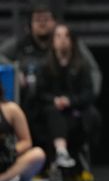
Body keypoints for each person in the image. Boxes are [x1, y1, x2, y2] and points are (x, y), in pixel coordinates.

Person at [33, 24, 96, 169]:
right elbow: (39, 93)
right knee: (53, 113)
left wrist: (70, 101)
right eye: (58, 36)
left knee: (88, 116)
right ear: (53, 41)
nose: (62, 40)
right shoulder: (45, 66)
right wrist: (54, 100)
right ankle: (61, 152)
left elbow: (88, 93)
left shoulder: (82, 65)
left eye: (66, 36)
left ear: (72, 41)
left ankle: (65, 154)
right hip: (50, 111)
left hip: (75, 110)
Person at [0, 82, 45, 181]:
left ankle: (3, 180)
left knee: (38, 154)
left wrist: (10, 151)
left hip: (7, 160)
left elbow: (26, 141)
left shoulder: (11, 109)